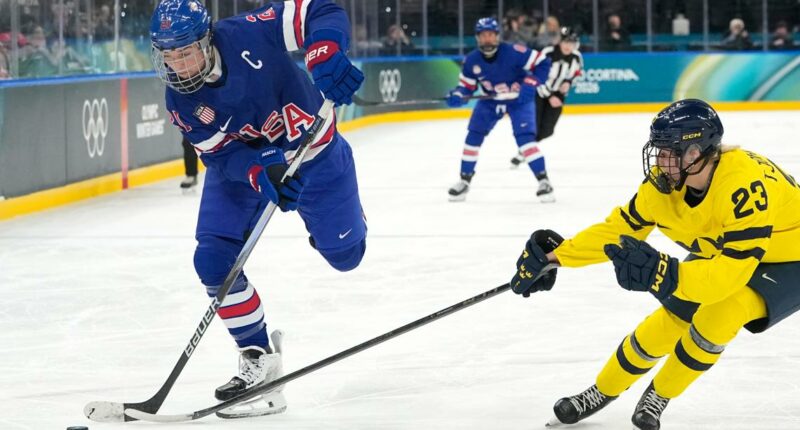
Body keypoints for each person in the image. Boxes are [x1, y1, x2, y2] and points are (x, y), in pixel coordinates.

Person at [510, 99, 800, 429]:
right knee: (672, 318)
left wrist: (668, 274)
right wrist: (555, 257)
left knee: (720, 315)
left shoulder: (743, 187)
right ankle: (601, 391)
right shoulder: (663, 187)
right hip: (731, 250)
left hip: (791, 257)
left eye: (667, 152)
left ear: (695, 153)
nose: (659, 162)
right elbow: (616, 231)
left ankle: (659, 396)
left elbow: (729, 276)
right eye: (658, 151)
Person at [149, 0, 366, 418]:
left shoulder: (250, 32)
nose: (179, 66)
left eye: (185, 51)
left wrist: (324, 50)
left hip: (316, 155)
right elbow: (220, 157)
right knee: (212, 259)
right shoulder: (180, 101)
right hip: (251, 167)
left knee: (346, 257)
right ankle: (259, 360)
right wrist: (257, 172)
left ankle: (343, 225)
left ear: (207, 39)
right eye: (169, 56)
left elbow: (320, 10)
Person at [445, 17, 552, 203]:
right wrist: (458, 94)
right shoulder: (471, 60)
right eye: (483, 35)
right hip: (490, 101)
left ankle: (544, 181)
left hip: (519, 100)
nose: (487, 39)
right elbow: (466, 87)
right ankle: (464, 180)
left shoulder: (514, 52)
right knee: (473, 136)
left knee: (525, 139)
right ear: (478, 37)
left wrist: (531, 83)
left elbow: (543, 62)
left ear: (497, 36)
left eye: (491, 35)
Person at [510, 27, 582, 169]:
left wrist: (568, 83)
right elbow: (537, 77)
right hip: (538, 93)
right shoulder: (548, 53)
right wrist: (549, 96)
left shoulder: (576, 57)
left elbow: (576, 74)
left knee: (547, 131)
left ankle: (525, 148)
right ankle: (525, 151)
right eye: (566, 42)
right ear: (559, 42)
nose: (568, 46)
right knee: (534, 126)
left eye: (572, 43)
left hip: (558, 96)